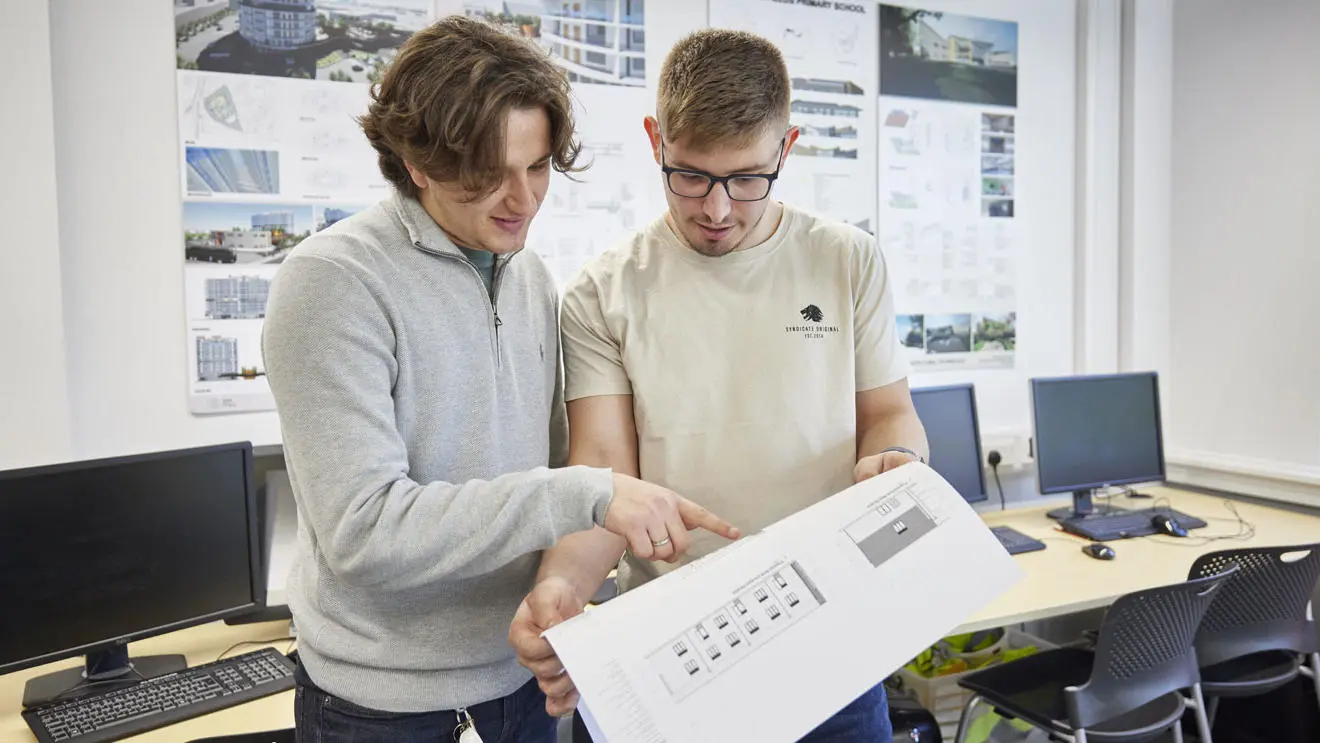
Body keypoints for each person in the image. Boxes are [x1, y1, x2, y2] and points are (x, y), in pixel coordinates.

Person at [261, 16, 737, 743]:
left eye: (537, 166)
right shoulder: (332, 283)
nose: (523, 199)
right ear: (417, 163)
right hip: (384, 711)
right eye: (488, 175)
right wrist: (588, 494)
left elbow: (553, 468)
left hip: (523, 681)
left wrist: (562, 591)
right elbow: (364, 531)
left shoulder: (528, 274)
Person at [508, 28, 928, 742]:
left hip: (830, 643)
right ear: (656, 141)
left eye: (747, 179)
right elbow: (603, 473)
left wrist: (898, 459)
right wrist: (561, 587)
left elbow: (889, 413)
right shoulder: (604, 292)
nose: (718, 209)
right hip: (673, 654)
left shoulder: (847, 260)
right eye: (692, 176)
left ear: (786, 149)